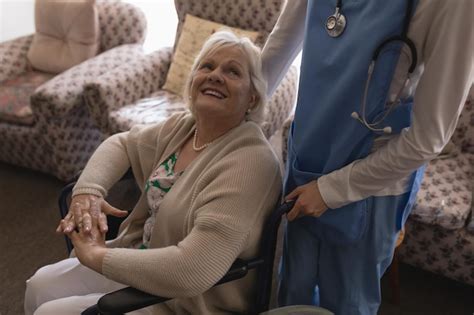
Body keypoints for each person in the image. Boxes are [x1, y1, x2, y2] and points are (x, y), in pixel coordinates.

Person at [24, 30, 282, 315]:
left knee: (50, 312)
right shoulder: (184, 128)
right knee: (39, 285)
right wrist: (88, 192)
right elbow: (121, 143)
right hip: (143, 258)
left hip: (189, 301)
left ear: (253, 99)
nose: (215, 75)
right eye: (206, 66)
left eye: (232, 71)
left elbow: (193, 269)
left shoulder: (250, 163)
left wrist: (98, 256)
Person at [261, 0, 473, 314]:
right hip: (307, 159)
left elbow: (427, 139)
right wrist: (233, 117)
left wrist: (330, 191)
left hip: (371, 185)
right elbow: (279, 48)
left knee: (347, 302)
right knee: (293, 290)